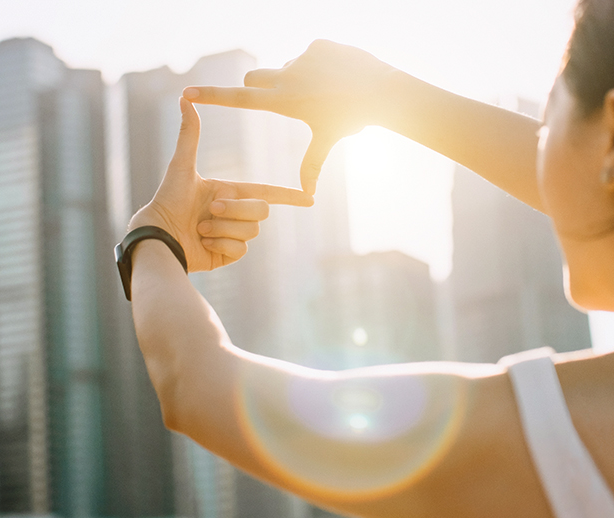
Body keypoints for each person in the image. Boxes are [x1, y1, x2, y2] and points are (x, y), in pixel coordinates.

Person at [122, 0, 614, 516]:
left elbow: (196, 383)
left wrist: (154, 237)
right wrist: (380, 91)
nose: (539, 145)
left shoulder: (562, 435)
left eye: (546, 113)